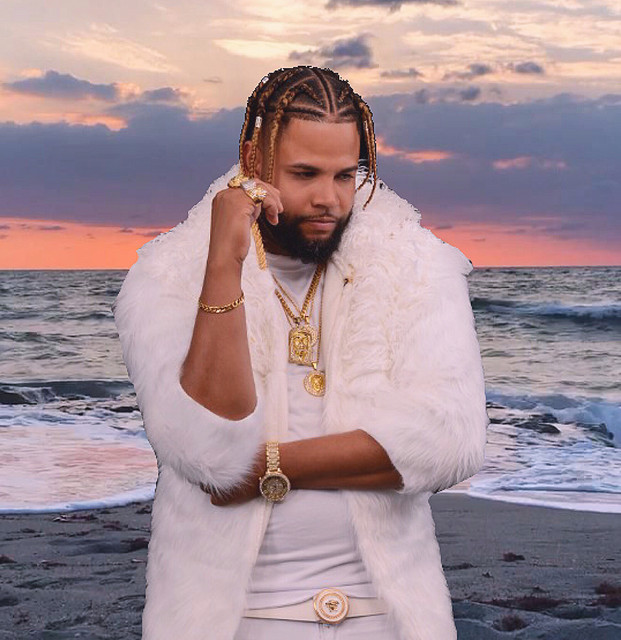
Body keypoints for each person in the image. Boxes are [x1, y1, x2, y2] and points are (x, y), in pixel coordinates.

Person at [112, 65, 489, 640]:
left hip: (388, 619)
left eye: (345, 175)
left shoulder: (416, 267)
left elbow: (449, 442)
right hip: (237, 623)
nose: (328, 199)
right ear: (253, 160)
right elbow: (207, 452)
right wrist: (223, 263)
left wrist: (267, 468)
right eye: (305, 174)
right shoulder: (167, 275)